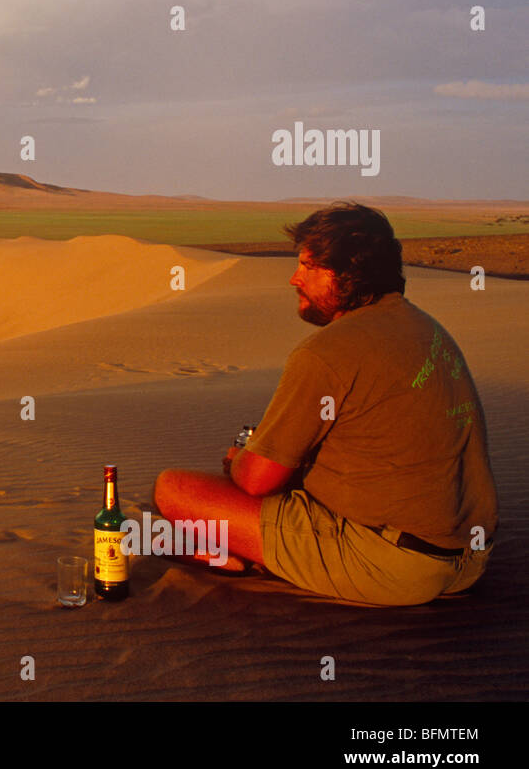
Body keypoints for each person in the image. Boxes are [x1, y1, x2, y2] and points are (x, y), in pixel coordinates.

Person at [153, 202, 497, 605]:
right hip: (469, 560)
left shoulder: (326, 352)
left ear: (348, 274)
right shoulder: (429, 330)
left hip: (394, 565)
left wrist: (240, 459)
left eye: (308, 266)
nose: (294, 279)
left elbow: (256, 481)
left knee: (174, 489)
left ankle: (237, 555)